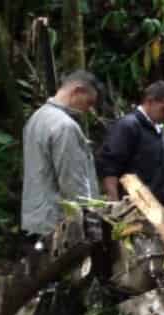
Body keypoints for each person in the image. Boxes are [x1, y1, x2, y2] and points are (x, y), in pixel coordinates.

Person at [21, 70, 100, 236]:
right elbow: (72, 182)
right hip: (57, 223)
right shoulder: (65, 126)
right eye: (89, 102)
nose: (88, 109)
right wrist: (90, 221)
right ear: (78, 91)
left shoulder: (37, 117)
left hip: (36, 217)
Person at [97, 81, 164, 204]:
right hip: (135, 208)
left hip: (158, 208)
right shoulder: (128, 126)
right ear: (150, 101)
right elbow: (109, 166)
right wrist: (114, 203)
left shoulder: (158, 130)